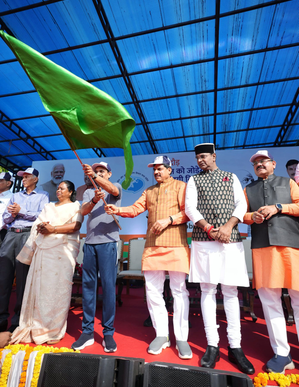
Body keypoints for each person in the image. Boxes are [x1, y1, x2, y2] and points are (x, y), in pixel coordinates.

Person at [105, 155, 192, 360]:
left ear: (170, 170)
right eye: (154, 169)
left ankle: (181, 338)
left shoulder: (182, 186)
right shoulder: (149, 190)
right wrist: (117, 209)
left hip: (176, 244)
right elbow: (135, 209)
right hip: (153, 245)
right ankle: (161, 334)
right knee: (153, 291)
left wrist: (168, 220)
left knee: (179, 291)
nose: (156, 172)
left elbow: (188, 213)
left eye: (160, 169)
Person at [185, 143, 254, 374]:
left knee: (231, 291)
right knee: (207, 290)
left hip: (230, 238)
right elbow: (190, 209)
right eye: (198, 158)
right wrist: (209, 228)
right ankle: (212, 345)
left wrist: (227, 226)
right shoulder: (194, 181)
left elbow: (241, 204)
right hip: (204, 239)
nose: (201, 160)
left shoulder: (231, 177)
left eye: (204, 156)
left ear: (214, 156)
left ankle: (235, 347)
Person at [243, 149, 299, 374]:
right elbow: (241, 215)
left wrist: (278, 207)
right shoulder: (249, 189)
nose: (259, 165)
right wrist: (252, 217)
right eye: (256, 163)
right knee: (270, 301)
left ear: (274, 164)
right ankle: (282, 354)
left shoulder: (289, 183)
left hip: (291, 246)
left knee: (297, 298)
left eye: (263, 161)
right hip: (262, 248)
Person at [10, 180, 82, 345]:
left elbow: (76, 226)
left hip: (63, 253)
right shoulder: (49, 207)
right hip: (44, 250)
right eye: (57, 188)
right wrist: (43, 227)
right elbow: (38, 224)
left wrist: (53, 229)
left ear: (70, 192)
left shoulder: (75, 206)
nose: (58, 191)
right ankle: (36, 325)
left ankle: (53, 329)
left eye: (62, 188)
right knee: (41, 289)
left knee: (58, 289)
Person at [72, 161, 122, 353]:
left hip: (109, 242)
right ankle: (87, 332)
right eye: (96, 171)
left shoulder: (114, 187)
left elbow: (112, 190)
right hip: (90, 244)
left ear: (108, 174)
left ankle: (108, 333)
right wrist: (93, 200)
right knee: (88, 287)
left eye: (102, 171)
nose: (98, 174)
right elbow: (83, 212)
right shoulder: (87, 191)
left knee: (109, 288)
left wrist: (95, 177)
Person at [0, 167, 49, 333]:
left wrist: (22, 212)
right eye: (22, 177)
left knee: (22, 280)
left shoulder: (43, 195)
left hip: (28, 236)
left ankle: (17, 320)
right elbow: (6, 218)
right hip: (11, 234)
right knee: (3, 279)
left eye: (27, 177)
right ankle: (1, 319)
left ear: (35, 179)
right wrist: (13, 214)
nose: (24, 180)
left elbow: (41, 216)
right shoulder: (15, 196)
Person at [0, 172, 13, 247]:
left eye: (0, 180)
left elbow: (8, 217)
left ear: (8, 183)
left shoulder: (13, 197)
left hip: (2, 233)